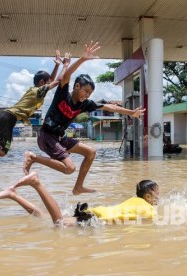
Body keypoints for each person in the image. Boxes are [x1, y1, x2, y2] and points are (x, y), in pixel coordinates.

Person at [23, 41, 146, 195]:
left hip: (59, 137)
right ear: (77, 87)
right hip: (46, 135)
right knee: (70, 168)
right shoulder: (62, 94)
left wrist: (130, 112)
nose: (87, 95)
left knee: (91, 152)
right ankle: (33, 157)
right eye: (85, 91)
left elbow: (108, 107)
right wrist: (82, 59)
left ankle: (78, 187)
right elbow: (66, 75)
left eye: (90, 94)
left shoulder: (84, 104)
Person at [0, 51, 72, 157]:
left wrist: (57, 65)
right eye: (46, 83)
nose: (48, 84)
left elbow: (51, 80)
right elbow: (58, 81)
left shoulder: (36, 90)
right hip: (9, 118)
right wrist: (65, 65)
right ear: (42, 83)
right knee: (1, 151)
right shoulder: (39, 91)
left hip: (5, 115)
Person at [0, 172, 159, 227]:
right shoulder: (149, 209)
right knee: (58, 223)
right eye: (157, 194)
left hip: (96, 212)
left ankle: (13, 195)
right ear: (148, 196)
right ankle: (36, 183)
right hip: (96, 219)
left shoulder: (134, 200)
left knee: (46, 217)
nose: (159, 197)